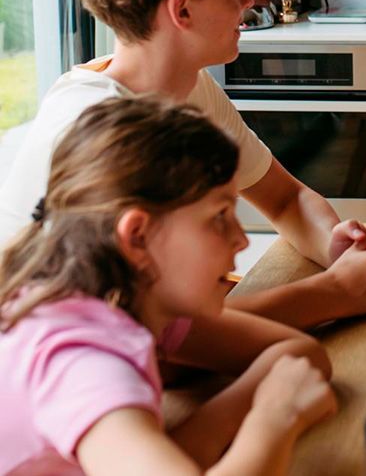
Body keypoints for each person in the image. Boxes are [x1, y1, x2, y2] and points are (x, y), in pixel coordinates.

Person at [0, 0, 366, 330]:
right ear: (181, 9)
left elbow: (284, 199)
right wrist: (340, 292)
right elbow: (160, 335)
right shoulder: (99, 128)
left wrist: (337, 247)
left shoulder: (191, 88)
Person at [0, 96, 337, 475]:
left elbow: (298, 355)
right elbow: (290, 373)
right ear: (139, 236)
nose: (241, 240)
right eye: (220, 216)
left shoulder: (131, 298)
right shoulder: (83, 363)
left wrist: (195, 440)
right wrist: (275, 418)